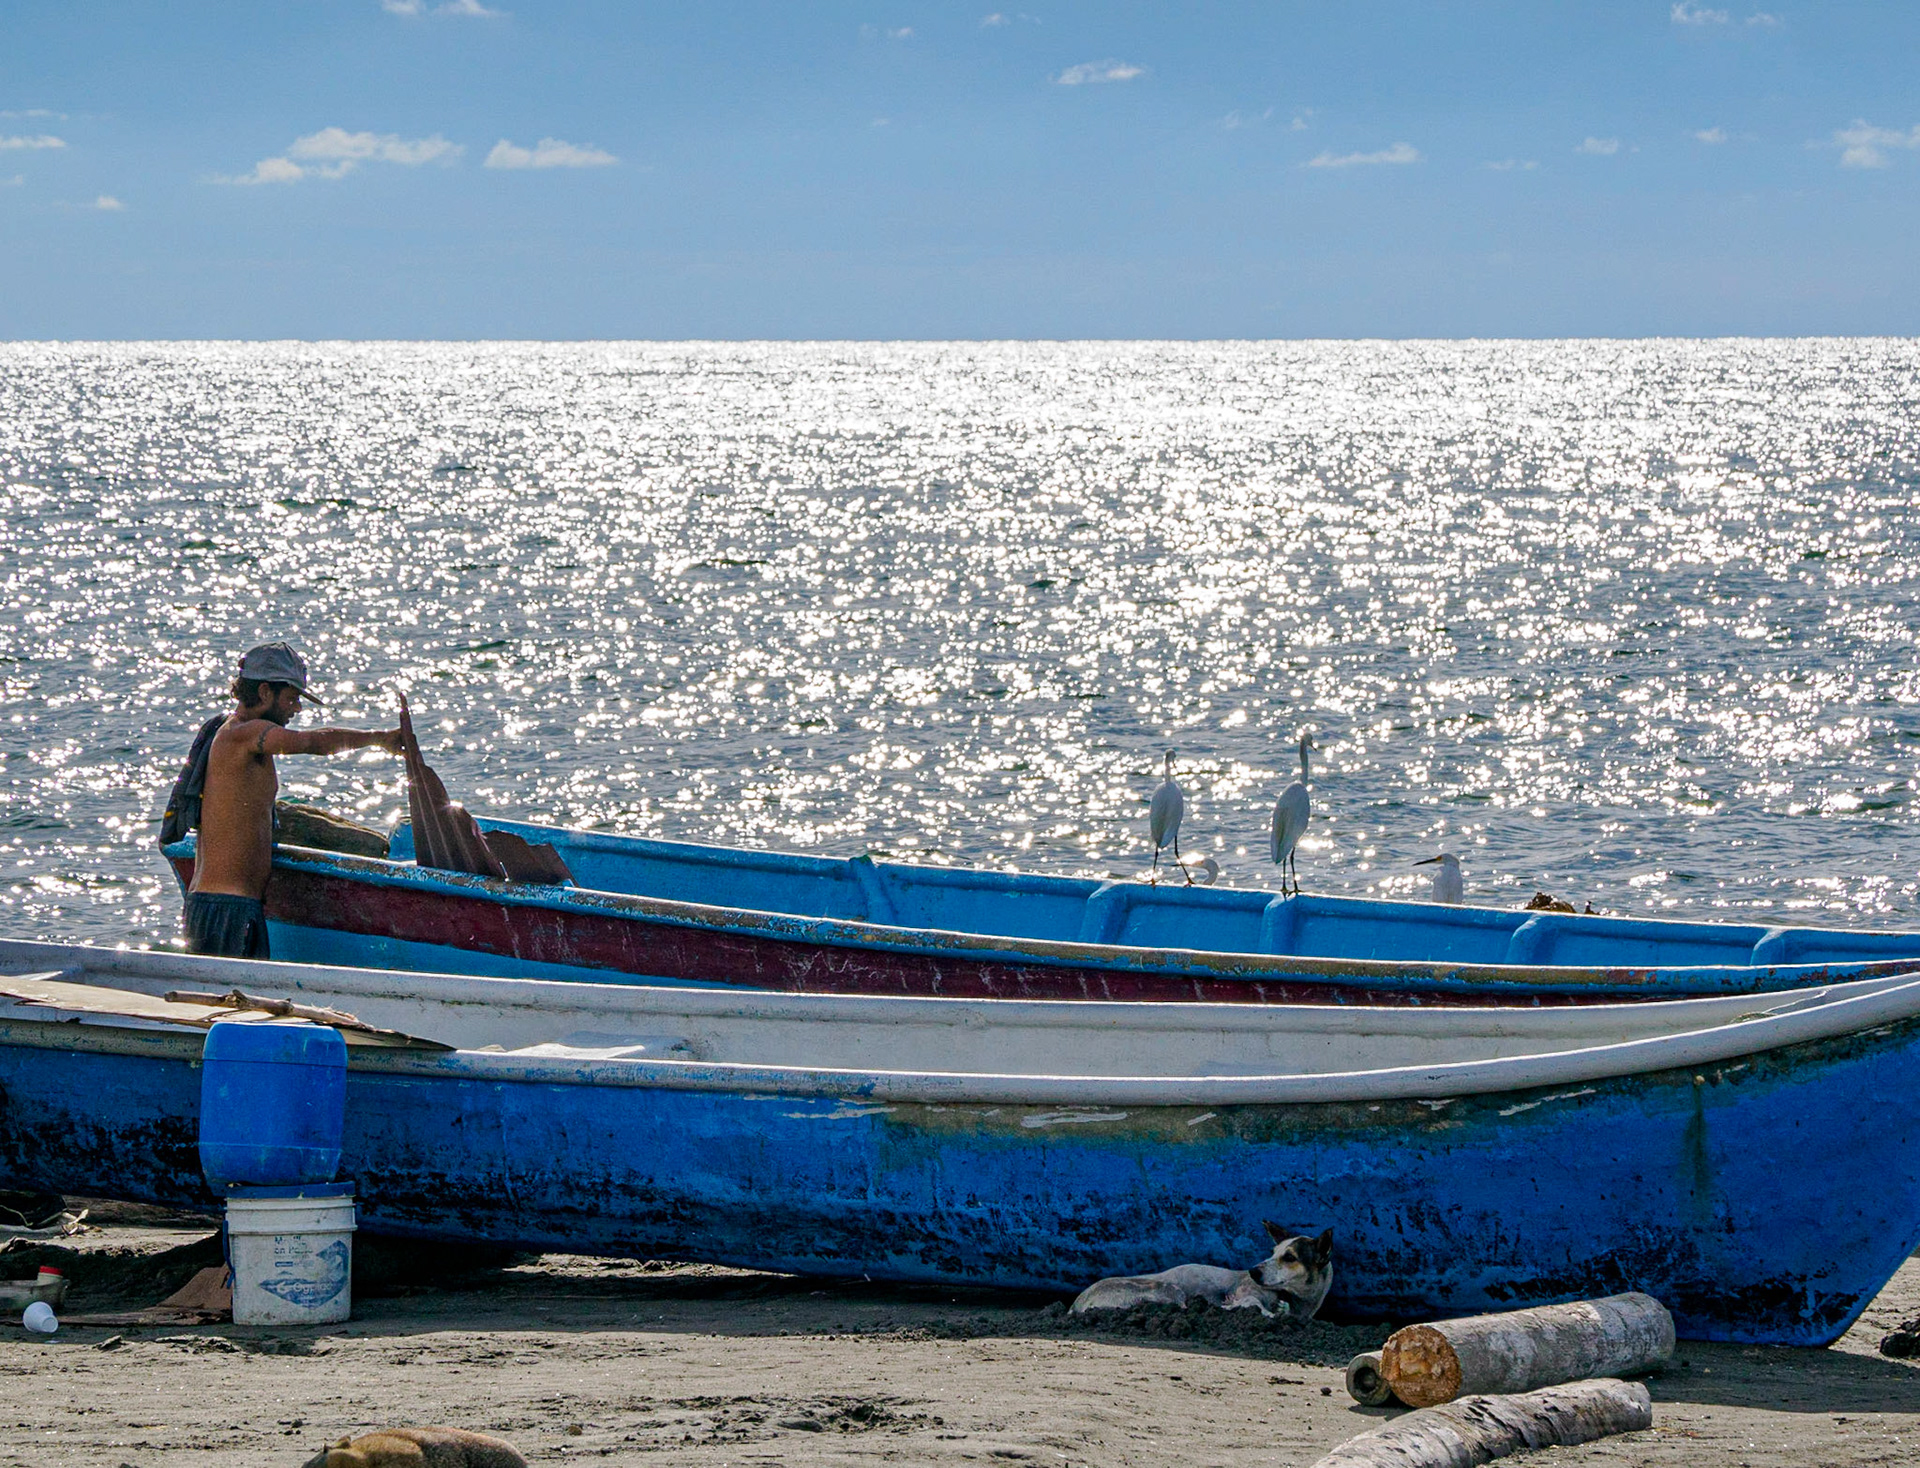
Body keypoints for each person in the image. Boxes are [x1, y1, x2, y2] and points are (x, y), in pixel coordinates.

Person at [183, 642, 403, 959]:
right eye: (291, 698)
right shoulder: (242, 733)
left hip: (236, 906)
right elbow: (309, 742)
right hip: (224, 908)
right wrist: (378, 738)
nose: (296, 708)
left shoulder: (245, 738)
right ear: (263, 693)